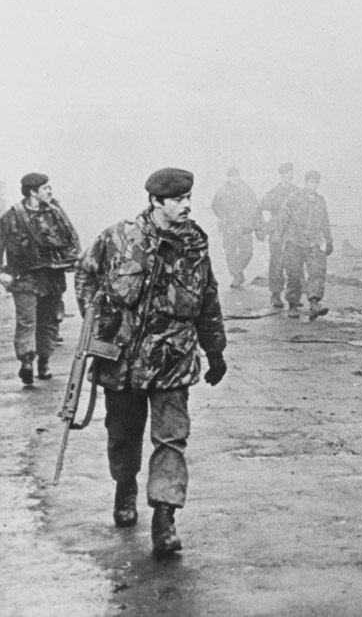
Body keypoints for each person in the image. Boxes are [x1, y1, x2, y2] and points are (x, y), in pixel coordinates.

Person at [74, 167, 228, 558]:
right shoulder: (118, 237)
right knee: (123, 434)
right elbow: (86, 274)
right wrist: (98, 322)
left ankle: (165, 517)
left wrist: (214, 351)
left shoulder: (195, 243)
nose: (187, 205)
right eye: (177, 199)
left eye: (188, 197)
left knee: (171, 438)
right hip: (121, 359)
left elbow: (207, 297)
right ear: (156, 202)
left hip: (172, 358)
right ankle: (125, 485)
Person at [0, 173, 80, 384]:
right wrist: (2, 272)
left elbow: (73, 239)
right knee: (27, 321)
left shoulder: (56, 213)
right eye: (45, 188)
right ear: (32, 192)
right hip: (24, 276)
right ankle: (27, 361)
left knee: (49, 321)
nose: (50, 191)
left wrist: (71, 260)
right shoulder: (11, 216)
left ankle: (43, 360)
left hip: (52, 276)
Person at [277, 169, 333, 319]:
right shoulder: (293, 198)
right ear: (305, 182)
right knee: (294, 275)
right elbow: (283, 218)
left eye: (315, 182)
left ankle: (314, 304)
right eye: (310, 182)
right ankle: (293, 305)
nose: (313, 185)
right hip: (294, 242)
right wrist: (278, 237)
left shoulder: (320, 201)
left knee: (317, 273)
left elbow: (325, 222)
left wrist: (329, 240)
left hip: (313, 242)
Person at [211, 167, 259, 288]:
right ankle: (237, 276)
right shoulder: (222, 191)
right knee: (230, 252)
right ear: (228, 177)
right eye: (231, 176)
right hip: (229, 227)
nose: (234, 178)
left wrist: (249, 221)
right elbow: (215, 205)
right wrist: (223, 217)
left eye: (236, 175)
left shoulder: (246, 190)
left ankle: (237, 270)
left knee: (247, 252)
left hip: (244, 227)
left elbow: (254, 206)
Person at [258, 162, 298, 308]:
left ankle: (293, 296)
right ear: (281, 175)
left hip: (293, 233)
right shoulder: (273, 193)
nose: (290, 176)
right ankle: (275, 294)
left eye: (292, 173)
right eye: (287, 173)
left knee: (294, 263)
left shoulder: (297, 192)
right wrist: (264, 228)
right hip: (277, 233)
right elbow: (261, 208)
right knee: (277, 263)